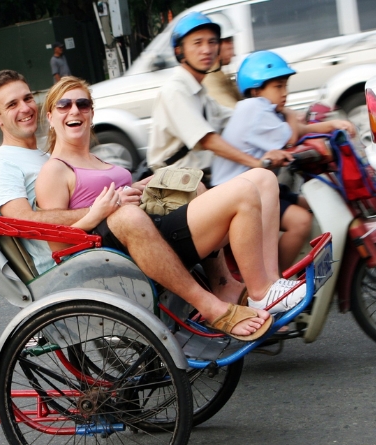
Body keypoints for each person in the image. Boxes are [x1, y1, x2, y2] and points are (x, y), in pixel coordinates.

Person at [0, 70, 300, 341]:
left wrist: (135, 188)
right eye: (63, 105)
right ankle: (250, 294)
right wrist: (100, 210)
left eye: (82, 104)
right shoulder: (13, 165)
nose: (25, 107)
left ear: (91, 113)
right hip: (101, 253)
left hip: (134, 227)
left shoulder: (47, 156)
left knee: (256, 179)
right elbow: (30, 223)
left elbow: (93, 193)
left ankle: (250, 283)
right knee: (240, 192)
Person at [213, 51, 356, 270]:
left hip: (255, 187)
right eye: (278, 87)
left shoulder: (264, 110)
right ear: (256, 89)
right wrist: (290, 113)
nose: (284, 93)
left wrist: (334, 125)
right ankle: (274, 283)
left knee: (315, 205)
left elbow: (300, 130)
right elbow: (291, 137)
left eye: (285, 86)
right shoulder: (253, 109)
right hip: (236, 193)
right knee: (300, 222)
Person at [147, 12, 292, 171]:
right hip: (177, 184)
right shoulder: (175, 91)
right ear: (179, 51)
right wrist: (257, 163)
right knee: (261, 182)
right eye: (197, 43)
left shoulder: (201, 92)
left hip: (201, 176)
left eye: (212, 42)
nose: (207, 50)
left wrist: (287, 115)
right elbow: (208, 140)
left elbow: (238, 117)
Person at [202, 12, 242, 109]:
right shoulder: (209, 81)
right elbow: (235, 113)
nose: (231, 46)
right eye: (227, 40)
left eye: (231, 40)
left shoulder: (220, 75)